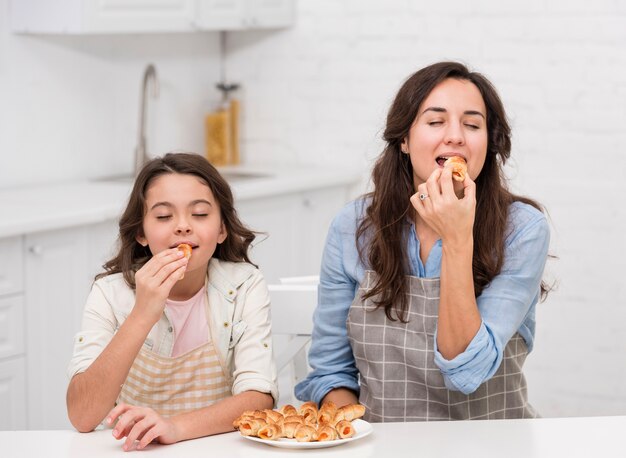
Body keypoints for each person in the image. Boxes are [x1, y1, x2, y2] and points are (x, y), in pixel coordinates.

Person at [295, 62, 551, 421]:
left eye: (473, 124)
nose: (456, 136)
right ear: (404, 139)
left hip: (492, 445)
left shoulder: (522, 230)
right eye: (435, 121)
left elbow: (465, 373)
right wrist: (350, 434)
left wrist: (457, 237)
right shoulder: (352, 226)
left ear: (489, 143)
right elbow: (331, 372)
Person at [66, 152, 277, 450]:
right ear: (140, 232)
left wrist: (174, 427)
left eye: (200, 214)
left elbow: (259, 398)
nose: (182, 226)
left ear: (221, 229)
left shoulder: (244, 285)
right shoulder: (109, 293)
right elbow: (82, 416)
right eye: (164, 216)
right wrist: (142, 314)